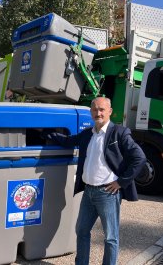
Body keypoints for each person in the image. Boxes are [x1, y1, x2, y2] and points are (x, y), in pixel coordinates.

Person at [43, 97, 146, 265]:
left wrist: (121, 182)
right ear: (91, 112)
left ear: (110, 112)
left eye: (102, 109)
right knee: (82, 231)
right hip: (89, 192)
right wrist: (45, 132)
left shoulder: (119, 133)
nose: (98, 113)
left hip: (108, 193)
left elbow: (139, 158)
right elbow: (68, 141)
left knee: (110, 237)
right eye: (95, 109)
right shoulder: (87, 134)